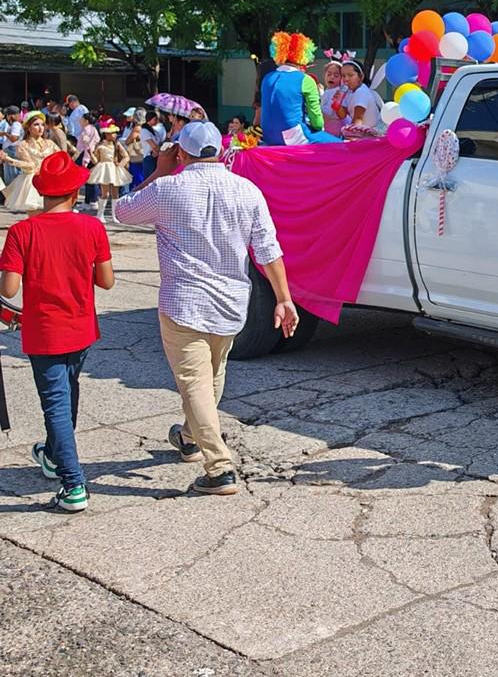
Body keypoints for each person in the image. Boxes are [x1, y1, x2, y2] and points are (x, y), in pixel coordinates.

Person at [114, 121, 299, 496]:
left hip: (184, 302)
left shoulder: (168, 188)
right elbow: (268, 250)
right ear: (222, 151)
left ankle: (219, 468)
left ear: (181, 153)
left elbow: (122, 211)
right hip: (231, 303)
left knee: (195, 382)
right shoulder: (247, 190)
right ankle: (189, 437)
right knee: (212, 375)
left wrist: (159, 170)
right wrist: (284, 298)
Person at [0, 151, 115, 512]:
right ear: (74, 193)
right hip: (81, 328)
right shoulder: (92, 228)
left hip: (43, 331)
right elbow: (107, 282)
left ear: (43, 193)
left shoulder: (22, 231)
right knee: (68, 394)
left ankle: (73, 482)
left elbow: (9, 290)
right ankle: (52, 455)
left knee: (55, 405)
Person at [260, 31, 339, 145]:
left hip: (267, 136)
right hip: (293, 136)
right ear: (303, 55)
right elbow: (316, 121)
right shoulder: (305, 79)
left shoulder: (267, 78)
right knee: (339, 145)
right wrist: (319, 128)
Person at [1, 113, 60, 212]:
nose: (40, 128)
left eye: (42, 124)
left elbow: (60, 159)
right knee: (35, 216)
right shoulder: (23, 145)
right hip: (33, 183)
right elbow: (30, 166)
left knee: (50, 217)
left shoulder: (50, 143)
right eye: (36, 125)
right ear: (28, 127)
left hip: (50, 181)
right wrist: (9, 160)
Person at [87, 125, 132, 221]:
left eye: (115, 133)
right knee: (105, 193)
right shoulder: (100, 146)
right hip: (104, 169)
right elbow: (96, 161)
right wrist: (91, 155)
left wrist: (120, 165)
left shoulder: (117, 145)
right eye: (112, 133)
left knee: (115, 193)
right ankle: (100, 214)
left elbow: (126, 156)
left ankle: (114, 216)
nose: (115, 135)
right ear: (106, 134)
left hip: (114, 169)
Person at [338, 59, 382, 132]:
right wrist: (337, 105)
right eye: (343, 76)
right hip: (362, 133)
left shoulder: (361, 92)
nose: (346, 79)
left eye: (350, 75)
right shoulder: (349, 92)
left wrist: (351, 137)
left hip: (371, 136)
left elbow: (358, 120)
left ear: (361, 77)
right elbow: (343, 116)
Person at [74, 112, 101, 211]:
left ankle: (91, 201)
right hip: (91, 154)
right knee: (91, 179)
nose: (80, 120)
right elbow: (97, 140)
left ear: (86, 121)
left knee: (90, 180)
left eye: (82, 119)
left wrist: (85, 159)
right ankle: (89, 201)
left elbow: (87, 145)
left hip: (86, 155)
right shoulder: (94, 129)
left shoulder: (86, 129)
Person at [320, 58, 349, 138]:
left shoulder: (337, 92)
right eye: (329, 74)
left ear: (341, 78)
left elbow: (328, 112)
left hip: (333, 127)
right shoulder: (328, 90)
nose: (332, 77)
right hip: (329, 126)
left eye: (336, 76)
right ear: (324, 75)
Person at [2, 106, 26, 186]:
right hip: (12, 151)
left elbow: (14, 138)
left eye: (7, 115)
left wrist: (5, 134)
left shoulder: (16, 124)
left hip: (12, 151)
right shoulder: (16, 124)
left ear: (11, 115)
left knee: (12, 175)